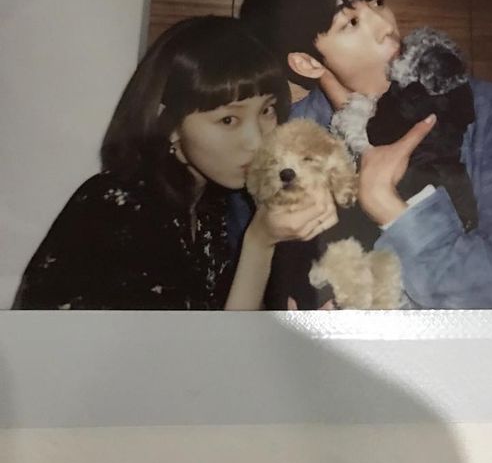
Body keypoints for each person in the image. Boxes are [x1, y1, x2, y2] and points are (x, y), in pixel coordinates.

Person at [239, 0, 492, 310]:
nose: (385, 26)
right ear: (307, 63)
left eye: (377, 2)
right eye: (351, 22)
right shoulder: (291, 146)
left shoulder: (475, 107)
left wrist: (392, 209)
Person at [13, 16, 336, 311]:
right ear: (168, 125)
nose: (257, 140)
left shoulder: (209, 205)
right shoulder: (116, 208)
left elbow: (224, 338)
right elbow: (192, 365)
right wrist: (259, 242)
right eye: (227, 120)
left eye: (266, 110)